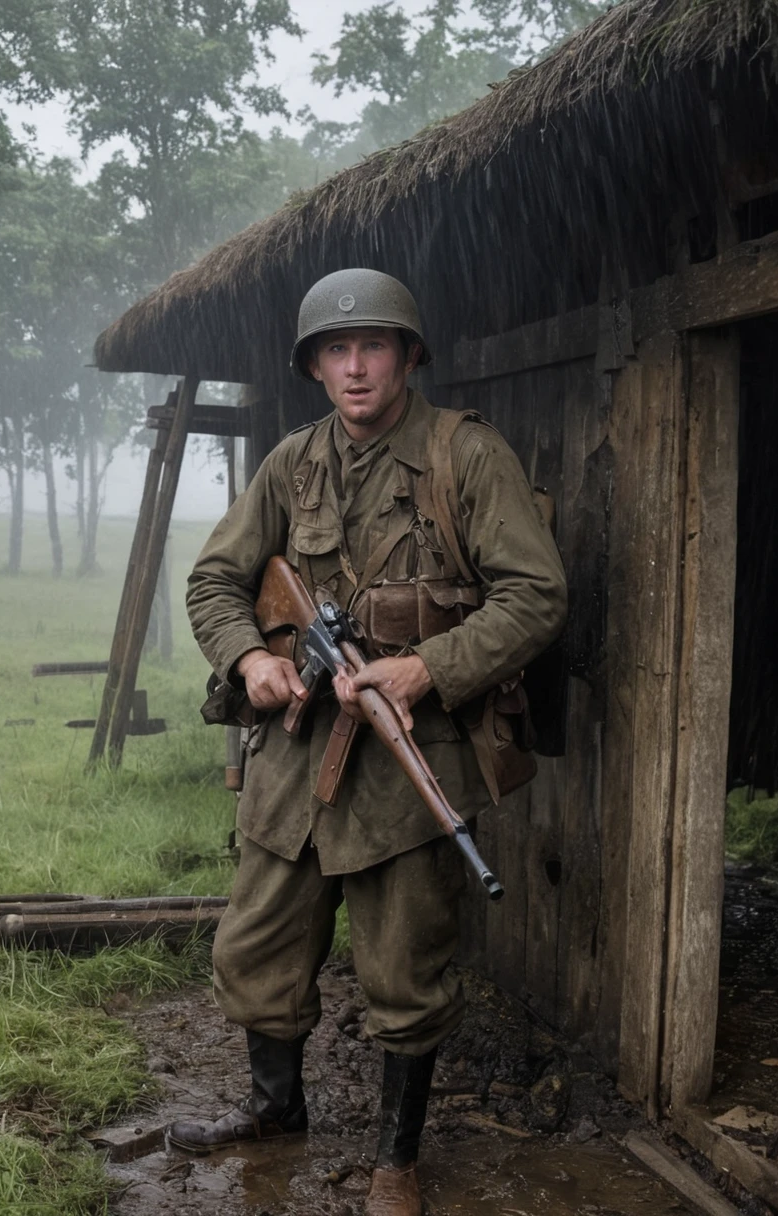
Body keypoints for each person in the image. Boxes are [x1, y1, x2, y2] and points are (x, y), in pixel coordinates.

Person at [169, 268, 567, 1216]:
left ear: (409, 355)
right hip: (297, 752)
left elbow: (537, 595)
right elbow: (215, 584)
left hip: (407, 761)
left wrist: (431, 667)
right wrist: (250, 665)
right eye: (335, 351)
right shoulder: (291, 463)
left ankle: (397, 1159)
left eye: (374, 346)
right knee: (255, 951)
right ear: (313, 366)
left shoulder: (465, 456)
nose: (355, 367)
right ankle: (275, 1114)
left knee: (405, 971)